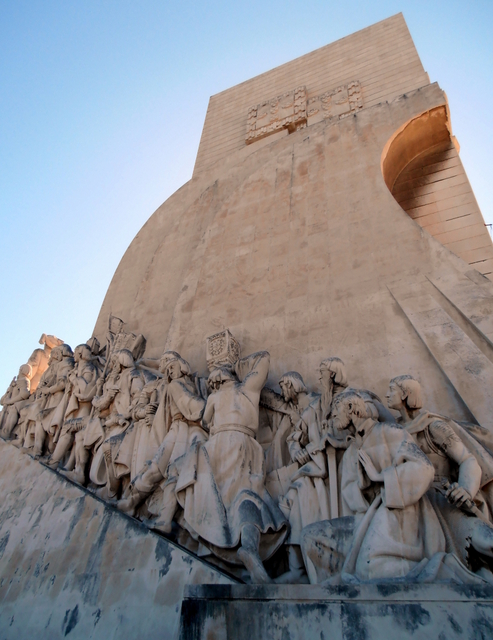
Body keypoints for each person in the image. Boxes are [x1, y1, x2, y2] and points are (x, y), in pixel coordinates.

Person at [172, 351, 288, 584]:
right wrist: (238, 366)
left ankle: (211, 541)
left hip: (216, 446)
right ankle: (248, 546)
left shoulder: (214, 398)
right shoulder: (248, 390)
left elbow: (206, 421)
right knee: (248, 496)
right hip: (245, 444)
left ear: (215, 382)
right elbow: (265, 359)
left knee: (216, 498)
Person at [387, 375, 493, 581]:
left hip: (443, 498)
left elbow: (467, 460)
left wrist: (465, 490)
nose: (387, 395)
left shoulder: (433, 426)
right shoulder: (394, 431)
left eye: (392, 390)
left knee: (483, 541)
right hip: (412, 500)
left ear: (405, 394)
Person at [117, 353, 207, 525]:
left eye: (172, 366)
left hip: (188, 431)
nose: (169, 371)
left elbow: (195, 407)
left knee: (174, 472)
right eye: (167, 369)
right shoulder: (171, 386)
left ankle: (164, 517)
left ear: (182, 366)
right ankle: (133, 502)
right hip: (175, 429)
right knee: (155, 469)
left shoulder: (194, 384)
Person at [46, 344, 101, 470]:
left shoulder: (88, 368)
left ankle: (55, 461)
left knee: (69, 430)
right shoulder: (78, 368)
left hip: (84, 408)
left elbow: (85, 390)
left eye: (76, 351)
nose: (74, 354)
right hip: (75, 406)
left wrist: (73, 378)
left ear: (80, 354)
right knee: (75, 435)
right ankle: (68, 465)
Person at [0, 365, 32, 438]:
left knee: (13, 409)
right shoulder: (15, 382)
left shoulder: (24, 380)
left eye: (21, 368)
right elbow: (2, 401)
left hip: (17, 405)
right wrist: (9, 389)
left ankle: (7, 432)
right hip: (8, 407)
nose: (19, 370)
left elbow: (24, 394)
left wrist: (10, 401)